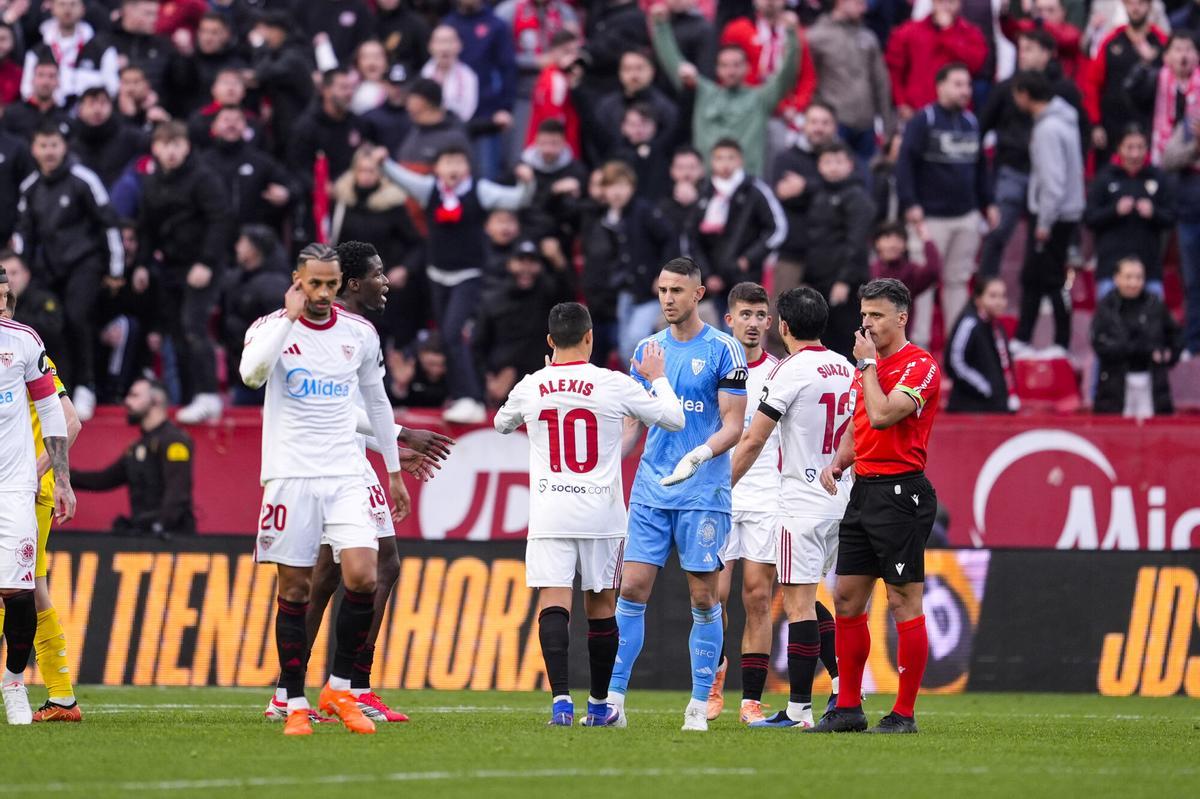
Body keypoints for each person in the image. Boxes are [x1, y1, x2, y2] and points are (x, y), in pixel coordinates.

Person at [263, 240, 454, 726]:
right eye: (377, 273)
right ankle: (319, 689)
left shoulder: (360, 334)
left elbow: (356, 407)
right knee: (346, 570)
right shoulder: (307, 331)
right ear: (350, 283)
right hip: (315, 467)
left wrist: (392, 451)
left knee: (353, 569)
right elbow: (333, 410)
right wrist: (398, 434)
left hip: (349, 463)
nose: (385, 281)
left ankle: (326, 687)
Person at [238, 243, 409, 737]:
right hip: (290, 477)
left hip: (344, 476)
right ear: (298, 280)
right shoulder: (270, 328)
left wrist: (394, 470)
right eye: (314, 284)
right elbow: (251, 375)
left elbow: (376, 403)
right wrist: (287, 321)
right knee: (295, 589)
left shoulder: (359, 333)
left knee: (363, 575)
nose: (323, 294)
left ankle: (338, 687)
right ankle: (291, 699)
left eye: (331, 285)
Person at [494, 302, 685, 726]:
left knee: (553, 603)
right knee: (601, 606)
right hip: (602, 514)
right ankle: (599, 706)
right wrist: (659, 379)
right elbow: (672, 419)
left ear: (550, 342)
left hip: (550, 511)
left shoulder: (533, 384)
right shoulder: (612, 383)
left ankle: (561, 703)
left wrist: (542, 383)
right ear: (590, 337)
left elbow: (500, 423)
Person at [607, 256, 749, 733]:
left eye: (677, 291)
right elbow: (633, 424)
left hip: (703, 491)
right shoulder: (647, 350)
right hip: (650, 487)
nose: (668, 298)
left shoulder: (726, 351)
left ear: (698, 294)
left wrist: (699, 456)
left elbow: (734, 425)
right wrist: (609, 463)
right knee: (630, 588)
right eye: (663, 289)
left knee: (705, 596)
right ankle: (614, 700)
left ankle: (696, 706)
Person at [811, 278, 940, 735]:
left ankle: (903, 712)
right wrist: (839, 461)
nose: (866, 323)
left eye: (877, 315)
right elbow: (858, 421)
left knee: (904, 599)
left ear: (902, 318)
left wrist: (866, 366)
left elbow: (884, 414)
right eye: (863, 315)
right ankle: (848, 707)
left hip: (902, 494)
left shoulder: (919, 366)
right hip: (863, 491)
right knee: (846, 597)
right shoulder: (866, 368)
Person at [732, 286, 852, 728]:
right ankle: (843, 690)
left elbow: (754, 438)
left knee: (799, 604)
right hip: (841, 497)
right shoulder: (845, 366)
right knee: (828, 601)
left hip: (800, 501)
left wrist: (720, 488)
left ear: (782, 327)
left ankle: (799, 710)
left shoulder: (788, 370)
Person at [379, 144, 535, 424]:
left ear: (468, 168)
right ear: (437, 168)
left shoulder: (480, 190)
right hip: (438, 275)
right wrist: (383, 161)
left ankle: (472, 398)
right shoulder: (429, 189)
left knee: (453, 334)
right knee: (448, 337)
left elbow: (518, 200)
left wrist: (527, 181)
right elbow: (399, 177)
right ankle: (461, 395)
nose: (452, 168)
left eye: (458, 162)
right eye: (446, 162)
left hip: (469, 275)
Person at [0, 278, 82, 722]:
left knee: (27, 590)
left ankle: (60, 693)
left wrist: (35, 474)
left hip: (24, 489)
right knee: (28, 591)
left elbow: (70, 421)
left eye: (5, 303)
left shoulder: (28, 353)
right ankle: (60, 694)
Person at [13, 122, 125, 421]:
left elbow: (108, 222)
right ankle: (60, 392)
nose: (49, 152)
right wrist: (23, 267)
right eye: (43, 146)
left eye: (54, 145)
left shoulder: (82, 179)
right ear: (34, 150)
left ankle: (87, 388)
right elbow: (25, 234)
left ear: (64, 147)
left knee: (77, 317)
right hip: (48, 271)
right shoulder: (30, 188)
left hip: (85, 264)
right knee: (50, 326)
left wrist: (115, 268)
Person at [710, 282, 780, 725]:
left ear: (769, 323)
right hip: (718, 495)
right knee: (712, 596)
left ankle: (750, 701)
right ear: (729, 320)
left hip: (767, 496)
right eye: (745, 315)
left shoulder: (780, 372)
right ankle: (710, 688)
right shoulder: (714, 365)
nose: (753, 324)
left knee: (757, 597)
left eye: (760, 316)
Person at [137, 121, 231, 424]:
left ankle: (208, 395)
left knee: (194, 327)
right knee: (176, 335)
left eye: (176, 144)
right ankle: (190, 398)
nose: (171, 151)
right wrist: (141, 263)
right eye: (165, 144)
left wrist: (205, 261)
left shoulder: (204, 178)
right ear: (155, 148)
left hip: (202, 266)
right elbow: (146, 228)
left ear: (187, 146)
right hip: (170, 268)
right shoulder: (151, 182)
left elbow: (221, 220)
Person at [978, 28, 1088, 278]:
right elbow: (981, 128)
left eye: (1029, 49)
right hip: (1013, 170)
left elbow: (1082, 131)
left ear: (1048, 53)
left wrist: (1073, 167)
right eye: (1021, 49)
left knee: (1042, 237)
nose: (1023, 55)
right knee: (998, 234)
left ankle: (1041, 287)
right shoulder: (1007, 88)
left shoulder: (1064, 90)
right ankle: (985, 290)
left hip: (1049, 175)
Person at [896, 62, 989, 347]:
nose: (965, 90)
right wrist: (910, 202)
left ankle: (957, 344)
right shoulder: (923, 120)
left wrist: (989, 203)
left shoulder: (972, 122)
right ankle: (920, 346)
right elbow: (904, 164)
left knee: (958, 283)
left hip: (965, 216)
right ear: (941, 86)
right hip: (929, 218)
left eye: (968, 85)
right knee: (922, 285)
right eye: (958, 84)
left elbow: (982, 167)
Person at [651, 3, 799, 177]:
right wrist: (660, 26)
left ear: (747, 69)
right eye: (725, 65)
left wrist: (792, 35)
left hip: (747, 188)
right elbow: (673, 63)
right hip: (708, 185)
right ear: (717, 69)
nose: (731, 71)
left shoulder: (760, 98)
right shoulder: (703, 93)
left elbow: (787, 74)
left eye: (737, 65)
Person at [1011, 69, 1085, 352]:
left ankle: (1061, 341)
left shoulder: (1048, 130)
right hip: (1059, 213)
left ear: (1025, 95)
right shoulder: (1060, 122)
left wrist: (1044, 222)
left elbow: (1052, 181)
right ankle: (1023, 337)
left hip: (1052, 216)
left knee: (1052, 280)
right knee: (1033, 277)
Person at [71, 377, 196, 537]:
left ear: (156, 400)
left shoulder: (174, 440)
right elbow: (103, 479)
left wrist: (160, 526)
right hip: (144, 535)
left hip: (171, 539)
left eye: (135, 396)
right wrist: (61, 477)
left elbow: (178, 492)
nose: (127, 401)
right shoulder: (137, 447)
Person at [473, 240, 575, 404]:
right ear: (509, 264)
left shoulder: (549, 296)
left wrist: (558, 259)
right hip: (502, 382)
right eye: (521, 261)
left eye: (532, 262)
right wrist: (488, 378)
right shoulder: (492, 299)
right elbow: (478, 345)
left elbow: (569, 296)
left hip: (543, 381)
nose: (526, 269)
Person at [685, 138, 787, 299]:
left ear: (740, 160)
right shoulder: (704, 192)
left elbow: (777, 229)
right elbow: (691, 238)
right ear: (711, 162)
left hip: (746, 279)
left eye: (731, 157)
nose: (725, 164)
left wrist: (748, 259)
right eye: (719, 158)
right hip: (711, 283)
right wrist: (706, 273)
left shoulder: (755, 189)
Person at [803, 141, 876, 358]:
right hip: (820, 280)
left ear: (850, 165)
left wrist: (844, 280)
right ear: (819, 165)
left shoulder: (857, 197)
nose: (833, 167)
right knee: (823, 341)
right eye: (827, 162)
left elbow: (857, 243)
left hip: (845, 283)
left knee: (846, 343)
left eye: (838, 161)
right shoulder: (817, 194)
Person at [1085, 125, 1175, 299]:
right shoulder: (1105, 177)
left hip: (1149, 270)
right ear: (1119, 148)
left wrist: (1153, 213)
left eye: (1140, 147)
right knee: (1109, 323)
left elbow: (1171, 217)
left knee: (1153, 323)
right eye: (1130, 147)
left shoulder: (1157, 177)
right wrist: (1114, 211)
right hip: (1111, 269)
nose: (1135, 154)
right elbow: (1089, 218)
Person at [1091, 256, 1182, 417]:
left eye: (1138, 277)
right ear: (1116, 278)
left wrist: (1169, 354)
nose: (1133, 283)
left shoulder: (1155, 304)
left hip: (1152, 382)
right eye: (1128, 277)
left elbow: (1175, 336)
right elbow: (1099, 342)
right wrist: (1140, 349)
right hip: (1115, 383)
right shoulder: (1106, 307)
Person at [805, 0, 894, 162]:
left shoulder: (867, 37)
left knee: (867, 178)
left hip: (866, 122)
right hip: (835, 121)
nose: (864, 7)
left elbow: (881, 83)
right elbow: (807, 79)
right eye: (859, 2)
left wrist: (887, 125)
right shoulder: (816, 36)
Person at [1082, 0, 1167, 162]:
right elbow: (1092, 83)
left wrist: (1153, 61)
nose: (1136, 8)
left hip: (1149, 125)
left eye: (1140, 3)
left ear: (1149, 6)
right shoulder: (1111, 40)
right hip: (1113, 126)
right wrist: (1095, 123)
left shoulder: (1161, 41)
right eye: (1131, 3)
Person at [885, 0, 988, 122]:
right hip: (918, 112)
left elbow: (976, 64)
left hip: (956, 113)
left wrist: (947, 32)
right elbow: (894, 71)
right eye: (941, 1)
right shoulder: (909, 31)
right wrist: (901, 102)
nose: (945, 5)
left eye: (951, 2)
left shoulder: (971, 34)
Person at [945, 276, 1018, 412]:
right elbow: (955, 362)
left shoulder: (996, 326)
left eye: (1002, 296)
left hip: (994, 406)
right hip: (969, 407)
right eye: (993, 296)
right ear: (978, 299)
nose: (999, 302)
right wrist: (985, 389)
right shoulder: (969, 324)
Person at [870, 222, 941, 345]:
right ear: (877, 243)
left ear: (904, 245)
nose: (892, 245)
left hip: (899, 344)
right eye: (887, 239)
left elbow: (933, 271)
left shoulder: (910, 272)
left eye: (898, 240)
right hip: (869, 342)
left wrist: (926, 239)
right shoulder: (868, 271)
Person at [70, 86, 150, 189]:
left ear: (111, 107)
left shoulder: (129, 137)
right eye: (91, 104)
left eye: (103, 103)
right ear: (80, 110)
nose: (97, 110)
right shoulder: (72, 145)